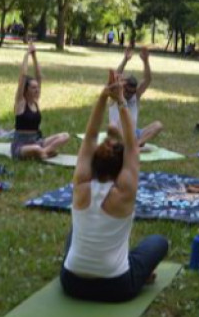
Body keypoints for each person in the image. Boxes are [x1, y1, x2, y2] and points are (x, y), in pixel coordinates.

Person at [60, 70, 169, 302]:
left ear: (93, 164)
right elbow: (132, 146)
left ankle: (119, 263)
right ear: (121, 168)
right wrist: (120, 101)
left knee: (74, 232)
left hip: (71, 282)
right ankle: (136, 274)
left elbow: (89, 137)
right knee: (159, 243)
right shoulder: (125, 193)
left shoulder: (81, 185)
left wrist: (103, 97)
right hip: (116, 287)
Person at [11, 43, 70, 160]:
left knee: (65, 136)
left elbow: (39, 77)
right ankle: (44, 152)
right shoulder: (20, 103)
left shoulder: (36, 101)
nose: (37, 90)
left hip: (37, 141)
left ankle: (43, 152)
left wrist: (35, 56)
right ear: (26, 90)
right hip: (21, 146)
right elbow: (22, 77)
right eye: (33, 88)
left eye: (37, 88)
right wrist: (27, 54)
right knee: (36, 149)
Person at [107, 46, 164, 148]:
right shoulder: (115, 97)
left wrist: (146, 61)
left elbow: (147, 80)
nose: (129, 94)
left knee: (158, 125)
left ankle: (138, 143)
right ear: (122, 87)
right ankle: (128, 144)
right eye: (127, 91)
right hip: (118, 135)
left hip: (134, 134)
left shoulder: (135, 96)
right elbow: (115, 76)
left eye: (132, 92)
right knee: (113, 129)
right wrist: (125, 60)